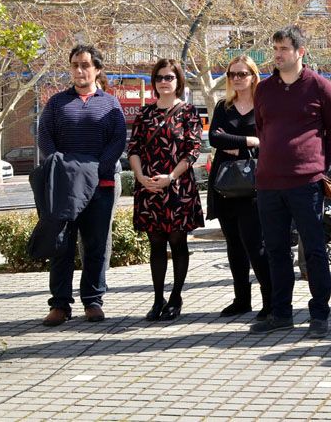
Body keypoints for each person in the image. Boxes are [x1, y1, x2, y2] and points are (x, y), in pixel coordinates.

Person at [251, 25, 331, 338]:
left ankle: (319, 314)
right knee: (275, 250)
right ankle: (281, 313)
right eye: (275, 49)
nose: (277, 55)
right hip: (268, 184)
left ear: (300, 52)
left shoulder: (320, 87)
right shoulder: (263, 90)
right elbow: (263, 128)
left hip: (305, 183)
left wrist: (316, 165)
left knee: (315, 250)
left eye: (284, 49)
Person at [37, 44, 127, 326]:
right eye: (75, 64)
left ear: (97, 69)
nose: (79, 70)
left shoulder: (110, 104)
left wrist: (94, 171)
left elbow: (118, 140)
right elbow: (45, 138)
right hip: (65, 188)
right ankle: (60, 305)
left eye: (85, 65)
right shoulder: (56, 103)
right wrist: (60, 167)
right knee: (62, 245)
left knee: (96, 244)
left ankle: (93, 300)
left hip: (100, 185)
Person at [128, 59, 205, 322]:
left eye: (169, 77)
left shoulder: (189, 112)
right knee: (156, 244)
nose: (164, 81)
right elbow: (134, 149)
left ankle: (176, 297)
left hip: (178, 187)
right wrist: (140, 177)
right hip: (149, 188)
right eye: (160, 77)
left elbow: (193, 150)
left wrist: (171, 176)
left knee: (177, 242)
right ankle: (158, 297)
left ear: (178, 81)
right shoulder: (144, 114)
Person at [207, 55, 272, 320]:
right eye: (232, 74)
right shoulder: (224, 106)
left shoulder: (264, 106)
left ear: (253, 76)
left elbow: (269, 140)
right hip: (225, 186)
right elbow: (214, 138)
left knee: (255, 245)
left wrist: (238, 144)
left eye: (242, 74)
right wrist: (250, 141)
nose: (237, 78)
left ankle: (270, 302)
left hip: (254, 186)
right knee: (233, 245)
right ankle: (241, 300)